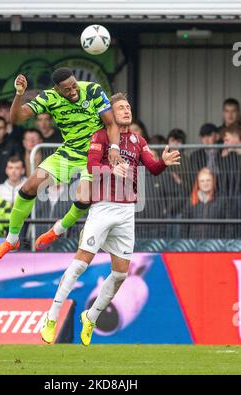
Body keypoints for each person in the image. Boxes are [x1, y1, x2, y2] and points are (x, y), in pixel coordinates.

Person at [39, 92, 180, 345]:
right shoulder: (101, 136)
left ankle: (90, 317)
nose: (127, 110)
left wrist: (164, 162)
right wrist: (111, 169)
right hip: (103, 207)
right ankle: (51, 317)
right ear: (111, 114)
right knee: (81, 264)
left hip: (127, 213)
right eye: (121, 108)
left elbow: (153, 168)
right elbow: (91, 166)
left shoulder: (138, 140)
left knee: (121, 275)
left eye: (128, 106)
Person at [0, 67, 122, 262]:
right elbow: (16, 118)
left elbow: (110, 124)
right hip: (69, 153)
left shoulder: (92, 90)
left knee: (84, 196)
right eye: (67, 89)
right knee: (28, 187)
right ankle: (12, 239)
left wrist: (114, 147)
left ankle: (57, 229)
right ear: (57, 90)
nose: (73, 91)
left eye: (74, 85)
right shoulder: (49, 97)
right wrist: (19, 94)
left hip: (95, 153)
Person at [181, 168, 227, 239]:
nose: (205, 183)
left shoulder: (222, 201)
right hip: (194, 243)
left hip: (215, 244)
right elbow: (184, 226)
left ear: (213, 182)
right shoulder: (191, 201)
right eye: (202, 181)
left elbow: (227, 227)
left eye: (208, 180)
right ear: (198, 184)